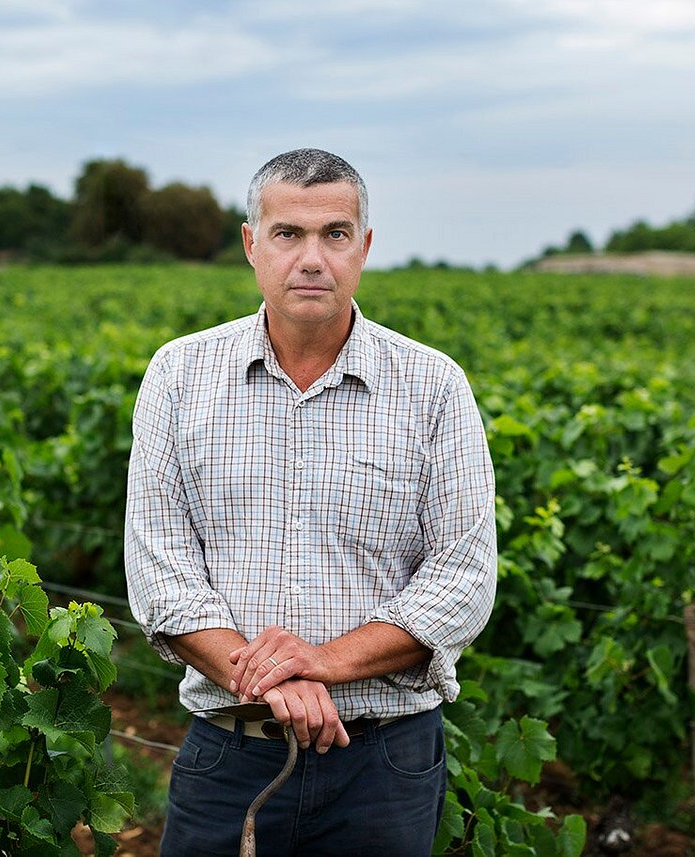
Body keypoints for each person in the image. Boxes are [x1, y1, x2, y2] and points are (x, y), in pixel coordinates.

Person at [124, 148, 497, 856]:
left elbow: (463, 581)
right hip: (229, 756)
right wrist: (268, 680)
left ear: (365, 247)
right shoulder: (179, 375)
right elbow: (160, 574)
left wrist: (320, 661)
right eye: (288, 234)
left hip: (382, 766)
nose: (312, 258)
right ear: (250, 244)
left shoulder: (434, 386)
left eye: (335, 233)